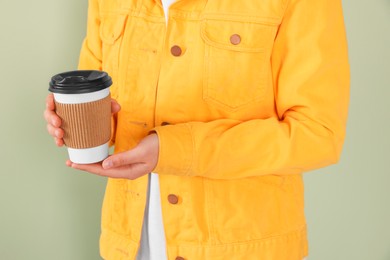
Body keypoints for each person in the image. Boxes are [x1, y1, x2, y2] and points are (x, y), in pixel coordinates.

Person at [44, 0, 350, 259]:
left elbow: (316, 133)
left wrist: (175, 150)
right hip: (130, 245)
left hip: (243, 248)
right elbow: (112, 99)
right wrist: (78, 122)